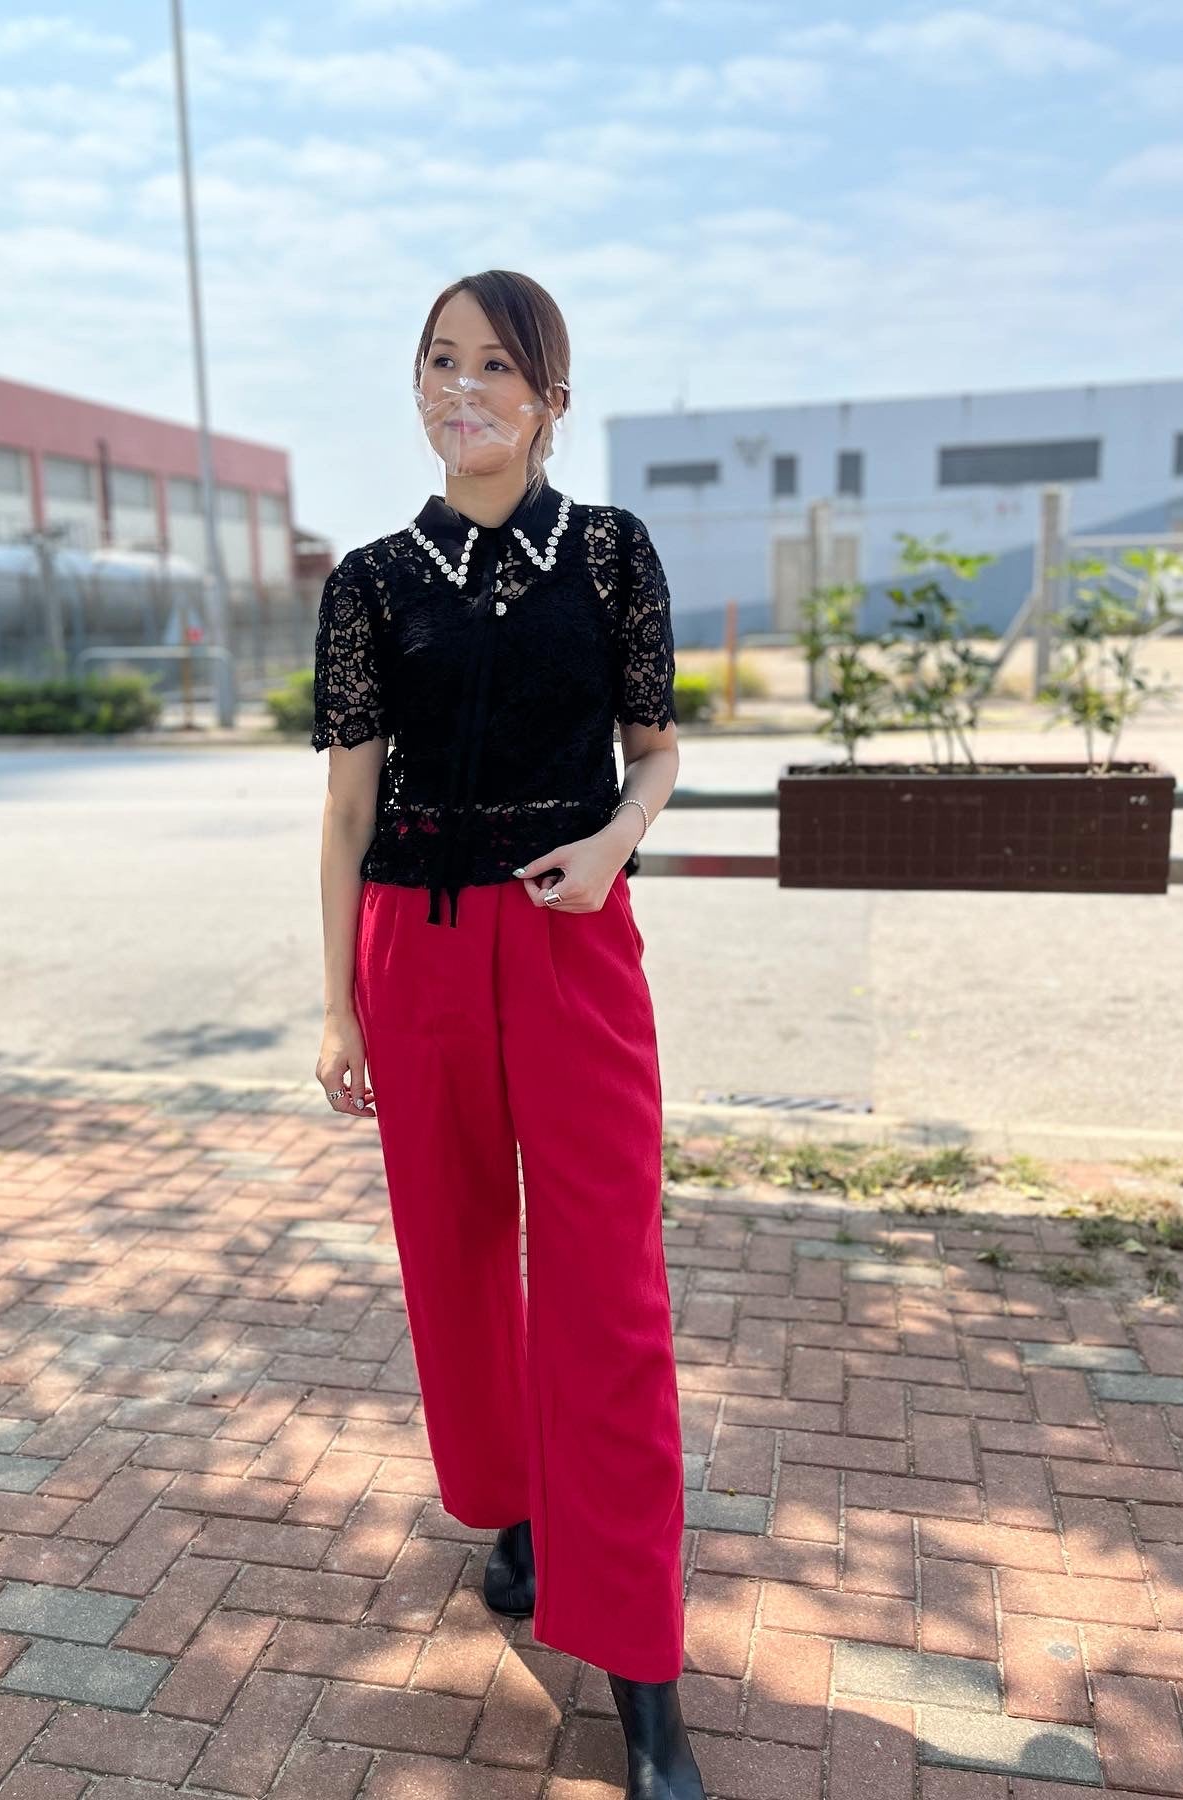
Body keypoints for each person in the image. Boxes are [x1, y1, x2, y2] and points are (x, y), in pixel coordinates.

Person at [311, 268, 703, 1800]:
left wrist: (615, 842)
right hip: (416, 946)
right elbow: (347, 802)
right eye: (437, 363)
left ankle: (645, 1672)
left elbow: (656, 751)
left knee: (609, 1294)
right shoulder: (369, 580)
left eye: (493, 367)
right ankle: (516, 1507)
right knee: (459, 1261)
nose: (459, 389)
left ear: (550, 399)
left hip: (569, 942)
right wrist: (334, 997)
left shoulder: (608, 556)